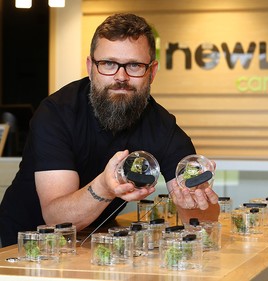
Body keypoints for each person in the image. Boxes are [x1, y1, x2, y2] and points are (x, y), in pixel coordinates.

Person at [0, 13, 219, 247]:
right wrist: (104, 186)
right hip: (20, 243)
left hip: (93, 244)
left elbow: (203, 221)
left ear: (152, 72)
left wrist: (194, 198)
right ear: (90, 67)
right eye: (108, 64)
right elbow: (56, 219)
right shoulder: (56, 113)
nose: (120, 77)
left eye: (134, 65)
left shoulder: (163, 128)